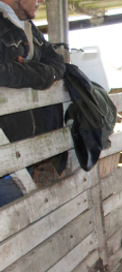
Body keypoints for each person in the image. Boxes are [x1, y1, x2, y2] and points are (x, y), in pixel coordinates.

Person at [0, 0, 66, 207]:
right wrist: (40, 73)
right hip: (5, 149)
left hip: (26, 146)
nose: (42, 1)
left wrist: (31, 71)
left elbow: (57, 64)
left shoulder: (29, 29)